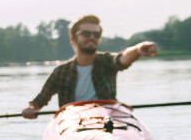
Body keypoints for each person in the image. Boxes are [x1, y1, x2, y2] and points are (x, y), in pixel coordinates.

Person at [21, 14, 158, 119]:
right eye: (86, 34)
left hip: (107, 119)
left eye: (96, 34)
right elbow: (39, 101)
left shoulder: (107, 62)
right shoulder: (61, 72)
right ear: (73, 39)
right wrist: (31, 108)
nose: (92, 37)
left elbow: (123, 58)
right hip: (73, 123)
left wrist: (139, 49)